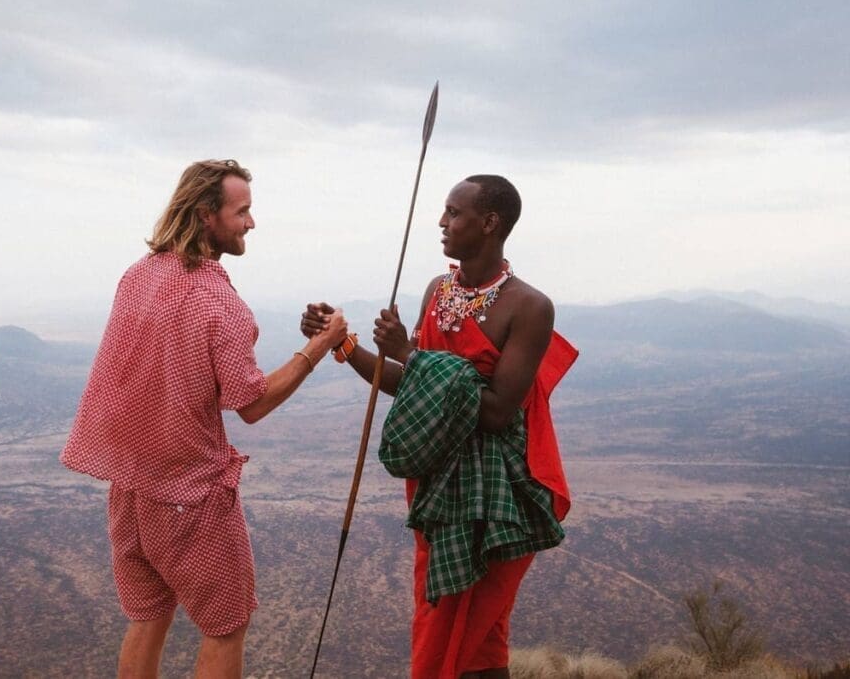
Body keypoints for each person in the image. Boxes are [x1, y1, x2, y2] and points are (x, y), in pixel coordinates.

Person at [62, 159, 347, 679]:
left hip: (130, 488)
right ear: (205, 214)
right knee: (225, 627)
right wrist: (319, 347)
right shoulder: (218, 301)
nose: (251, 223)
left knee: (147, 618)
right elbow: (252, 403)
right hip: (190, 496)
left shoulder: (137, 277)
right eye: (242, 212)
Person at [302, 174, 576, 679]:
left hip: (497, 494)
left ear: (489, 223)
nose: (442, 222)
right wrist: (340, 343)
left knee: (467, 622)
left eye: (454, 212)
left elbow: (497, 411)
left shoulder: (530, 307)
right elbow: (412, 387)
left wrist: (407, 352)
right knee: (479, 639)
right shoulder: (438, 290)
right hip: (439, 486)